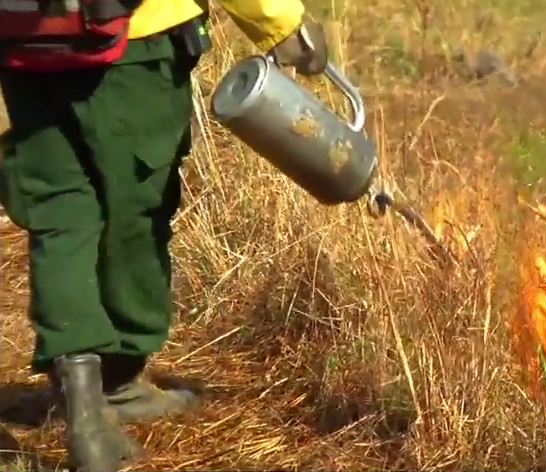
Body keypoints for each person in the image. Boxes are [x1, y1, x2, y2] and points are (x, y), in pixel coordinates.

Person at [0, 0, 328, 470]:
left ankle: (83, 407)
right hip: (134, 44)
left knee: (60, 215)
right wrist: (280, 23)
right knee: (136, 211)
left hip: (26, 42)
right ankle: (117, 382)